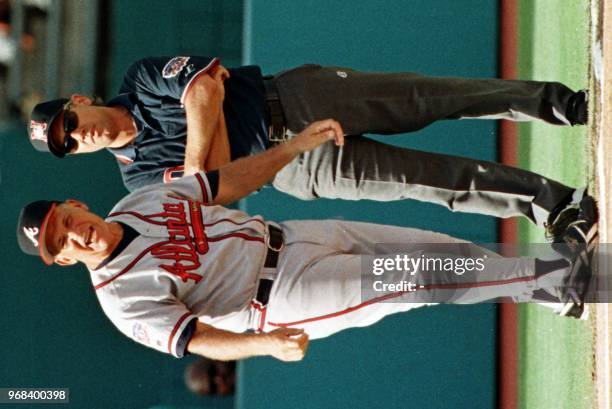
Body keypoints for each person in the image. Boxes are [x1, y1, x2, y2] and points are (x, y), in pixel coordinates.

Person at [17, 120, 597, 361]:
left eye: (62, 221)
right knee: (412, 279)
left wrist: (291, 150)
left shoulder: (136, 201)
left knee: (433, 249)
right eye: (59, 243)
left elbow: (224, 183)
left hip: (294, 236)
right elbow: (194, 339)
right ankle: (560, 280)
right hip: (279, 297)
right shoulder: (120, 298)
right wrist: (263, 346)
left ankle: (548, 288)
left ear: (76, 205)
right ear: (64, 259)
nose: (70, 235)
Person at [26, 56, 590, 237]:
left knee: (433, 97)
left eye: (69, 123)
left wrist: (201, 160)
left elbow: (203, 88)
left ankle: (560, 104)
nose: (79, 135)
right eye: (68, 144)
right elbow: (213, 194)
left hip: (295, 97)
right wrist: (210, 152)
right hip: (296, 167)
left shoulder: (144, 79)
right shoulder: (135, 179)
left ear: (78, 99)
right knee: (432, 182)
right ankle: (551, 204)